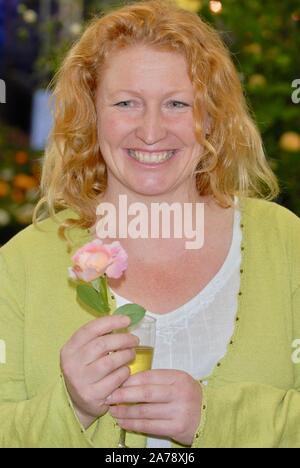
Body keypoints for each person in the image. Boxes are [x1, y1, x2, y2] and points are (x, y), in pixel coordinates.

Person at [0, 0, 299, 448]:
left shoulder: (286, 242)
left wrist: (216, 418)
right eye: (127, 103)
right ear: (91, 113)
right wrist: (73, 408)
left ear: (213, 117)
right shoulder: (21, 263)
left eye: (178, 103)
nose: (152, 131)